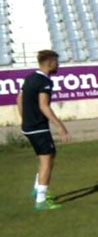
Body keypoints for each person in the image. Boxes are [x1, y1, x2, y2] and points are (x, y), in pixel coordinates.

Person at [17, 50, 70, 211]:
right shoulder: (44, 82)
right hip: (38, 128)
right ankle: (41, 200)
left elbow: (19, 98)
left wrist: (25, 119)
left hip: (29, 127)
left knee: (48, 155)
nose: (58, 64)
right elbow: (43, 105)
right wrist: (59, 125)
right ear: (49, 62)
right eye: (56, 61)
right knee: (47, 161)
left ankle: (36, 189)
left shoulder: (30, 77)